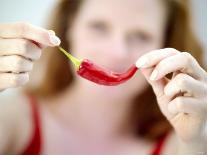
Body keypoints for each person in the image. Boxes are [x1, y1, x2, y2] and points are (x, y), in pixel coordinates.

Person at [0, 0, 207, 154]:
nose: (117, 52)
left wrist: (196, 142)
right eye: (99, 27)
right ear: (68, 28)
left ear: (165, 43)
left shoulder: (181, 142)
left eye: (141, 35)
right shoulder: (14, 119)